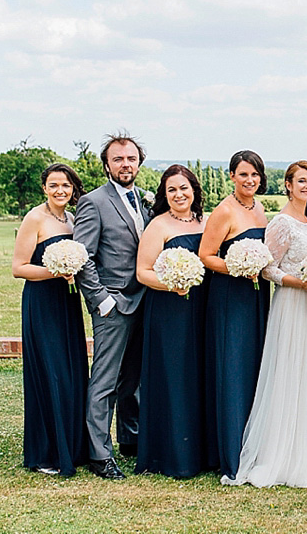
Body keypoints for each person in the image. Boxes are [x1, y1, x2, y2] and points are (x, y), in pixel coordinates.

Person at [222, 161, 307, 488]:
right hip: (293, 305)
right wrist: (301, 283)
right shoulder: (281, 223)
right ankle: (287, 453)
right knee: (294, 371)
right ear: (288, 185)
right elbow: (269, 269)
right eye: (301, 181)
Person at [74, 132, 151, 480]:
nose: (125, 164)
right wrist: (102, 300)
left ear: (139, 162)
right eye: (118, 159)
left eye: (131, 158)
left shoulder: (143, 201)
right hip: (113, 303)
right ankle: (98, 454)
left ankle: (131, 441)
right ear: (107, 164)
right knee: (105, 380)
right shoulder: (93, 202)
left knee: (132, 380)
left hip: (144, 301)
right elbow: (82, 256)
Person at [199, 150, 271, 482]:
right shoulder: (224, 211)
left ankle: (253, 445)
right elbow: (206, 256)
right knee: (233, 370)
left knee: (254, 368)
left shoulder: (259, 209)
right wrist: (237, 268)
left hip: (257, 297)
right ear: (232, 176)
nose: (250, 180)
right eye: (243, 175)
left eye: (255, 175)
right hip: (230, 297)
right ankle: (231, 455)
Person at [12, 163, 88, 477]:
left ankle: (73, 446)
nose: (60, 191)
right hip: (42, 302)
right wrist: (52, 272)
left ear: (73, 189)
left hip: (67, 301)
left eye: (66, 186)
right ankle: (47, 452)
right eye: (54, 185)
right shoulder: (35, 218)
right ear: (44, 187)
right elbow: (18, 267)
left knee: (73, 371)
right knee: (51, 372)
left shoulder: (71, 219)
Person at [134, 165, 208, 479]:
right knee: (175, 375)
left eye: (184, 188)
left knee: (199, 374)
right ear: (165, 195)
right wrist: (173, 283)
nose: (179, 195)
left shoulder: (207, 220)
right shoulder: (158, 226)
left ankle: (204, 451)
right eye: (172, 190)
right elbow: (143, 272)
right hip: (169, 311)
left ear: (194, 190)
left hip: (203, 310)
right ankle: (174, 454)